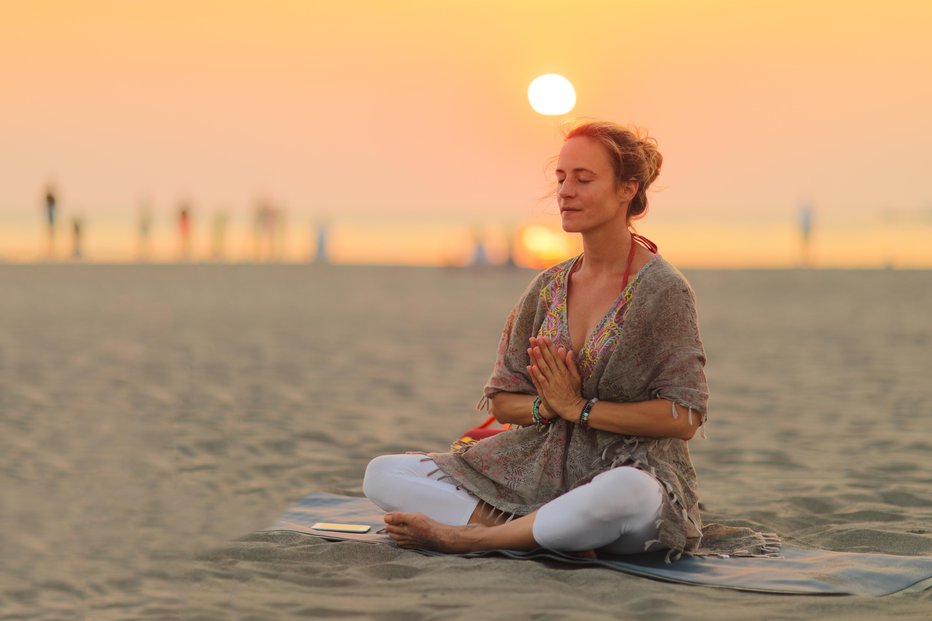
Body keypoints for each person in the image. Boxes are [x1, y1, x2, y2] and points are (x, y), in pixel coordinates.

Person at [364, 121, 710, 561]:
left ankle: (477, 537)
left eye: (583, 179)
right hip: (539, 471)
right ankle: (545, 531)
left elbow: (684, 417)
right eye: (561, 178)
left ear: (627, 189)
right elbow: (502, 401)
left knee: (623, 492)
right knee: (382, 474)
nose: (565, 191)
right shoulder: (548, 287)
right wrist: (547, 406)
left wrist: (580, 409)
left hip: (631, 473)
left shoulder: (663, 290)